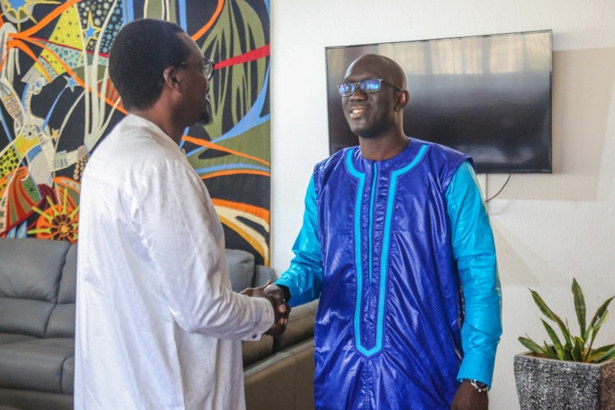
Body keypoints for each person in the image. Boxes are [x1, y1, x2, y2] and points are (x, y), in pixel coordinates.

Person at [267, 54, 502, 409]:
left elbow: (480, 279)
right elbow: (311, 263)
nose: (356, 94)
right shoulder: (326, 178)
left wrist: (476, 377)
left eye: (370, 84)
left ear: (400, 98)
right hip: (340, 373)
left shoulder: (447, 174)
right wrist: (281, 289)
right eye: (348, 87)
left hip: (425, 378)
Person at [74, 19, 288, 409]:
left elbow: (160, 288)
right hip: (169, 394)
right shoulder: (161, 169)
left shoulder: (108, 157)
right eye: (201, 67)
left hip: (117, 390)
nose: (207, 80)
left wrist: (237, 302)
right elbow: (204, 309)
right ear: (173, 78)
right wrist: (266, 312)